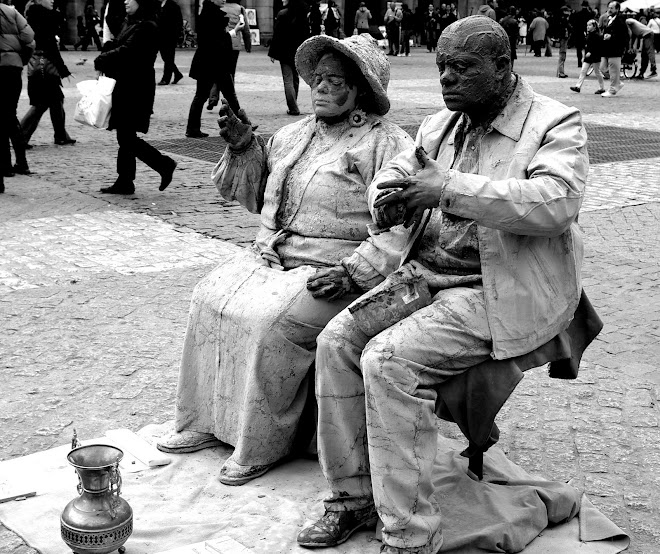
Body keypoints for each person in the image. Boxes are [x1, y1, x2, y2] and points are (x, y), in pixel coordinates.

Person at [298, 15, 590, 554]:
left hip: (497, 288)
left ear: (503, 66)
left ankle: (410, 536)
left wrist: (447, 188)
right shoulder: (439, 125)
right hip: (424, 274)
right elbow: (398, 174)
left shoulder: (555, 121)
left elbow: (558, 202)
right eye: (441, 67)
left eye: (462, 67)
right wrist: (387, 196)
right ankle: (351, 498)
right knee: (336, 341)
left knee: (388, 361)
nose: (446, 79)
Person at [156, 34, 414, 487]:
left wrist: (355, 273)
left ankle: (261, 444)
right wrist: (243, 148)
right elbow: (259, 200)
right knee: (207, 298)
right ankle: (203, 420)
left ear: (361, 90)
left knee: (268, 323)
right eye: (317, 78)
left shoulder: (387, 144)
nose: (320, 87)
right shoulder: (294, 134)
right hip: (271, 256)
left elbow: (400, 227)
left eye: (335, 80)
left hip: (333, 269)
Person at [93, 0, 177, 194]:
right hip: (126, 85)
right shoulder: (131, 23)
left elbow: (129, 52)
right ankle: (125, 180)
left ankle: (163, 164)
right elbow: (118, 42)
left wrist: (102, 59)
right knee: (125, 135)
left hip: (136, 88)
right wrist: (107, 50)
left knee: (127, 136)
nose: (125, 1)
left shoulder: (147, 26)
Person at [20, 0, 76, 147]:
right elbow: (49, 45)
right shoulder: (42, 16)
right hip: (44, 65)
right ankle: (20, 136)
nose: (52, 0)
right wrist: (63, 69)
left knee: (56, 100)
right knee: (42, 103)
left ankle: (61, 134)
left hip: (41, 64)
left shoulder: (38, 14)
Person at [185, 0, 244, 137]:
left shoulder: (209, 12)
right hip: (211, 62)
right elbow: (215, 41)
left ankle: (242, 125)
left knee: (227, 95)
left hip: (212, 62)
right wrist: (234, 31)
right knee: (204, 96)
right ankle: (242, 125)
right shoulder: (209, 14)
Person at [0, 0, 34, 193]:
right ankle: (21, 162)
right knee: (9, 115)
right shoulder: (11, 12)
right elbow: (29, 38)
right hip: (12, 69)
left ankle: (4, 166)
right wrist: (20, 59)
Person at [205, 0, 251, 109]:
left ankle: (213, 98)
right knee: (230, 73)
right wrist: (248, 44)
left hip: (220, 43)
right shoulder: (239, 8)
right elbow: (246, 28)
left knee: (217, 71)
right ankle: (229, 102)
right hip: (234, 45)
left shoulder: (220, 8)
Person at [268, 0, 309, 116]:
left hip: (284, 52)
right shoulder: (302, 14)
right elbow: (306, 34)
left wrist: (272, 53)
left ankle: (293, 107)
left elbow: (277, 35)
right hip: (298, 51)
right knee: (295, 79)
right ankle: (293, 103)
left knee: (288, 79)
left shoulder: (282, 14)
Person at [601, 1, 628, 97]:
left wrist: (611, 37)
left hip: (615, 49)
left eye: (612, 8)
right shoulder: (609, 19)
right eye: (608, 7)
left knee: (613, 70)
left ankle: (612, 90)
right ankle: (618, 83)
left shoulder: (620, 20)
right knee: (603, 68)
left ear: (617, 9)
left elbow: (624, 35)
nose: (609, 9)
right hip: (607, 49)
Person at [570, 18, 605, 94]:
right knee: (583, 71)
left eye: (590, 25)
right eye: (587, 25)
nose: (588, 26)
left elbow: (598, 47)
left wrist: (591, 52)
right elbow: (587, 46)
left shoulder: (597, 36)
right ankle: (578, 86)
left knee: (597, 72)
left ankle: (602, 88)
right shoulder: (589, 35)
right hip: (589, 56)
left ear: (594, 27)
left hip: (595, 56)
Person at [157, 0, 184, 85]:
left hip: (170, 36)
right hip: (160, 35)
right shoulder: (158, 4)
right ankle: (177, 74)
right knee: (166, 57)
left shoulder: (173, 5)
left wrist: (176, 34)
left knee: (169, 57)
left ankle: (166, 79)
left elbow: (179, 21)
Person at [571, 1, 593, 67]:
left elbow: (575, 24)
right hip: (587, 33)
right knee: (587, 48)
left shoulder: (578, 14)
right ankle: (586, 62)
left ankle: (579, 62)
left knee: (579, 49)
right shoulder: (590, 14)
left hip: (579, 33)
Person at [556, 6, 572, 78]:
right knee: (562, 55)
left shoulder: (562, 20)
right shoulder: (564, 20)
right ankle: (560, 72)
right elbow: (569, 28)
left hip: (563, 38)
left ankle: (560, 71)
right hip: (563, 38)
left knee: (562, 55)